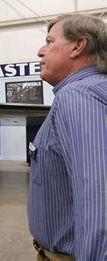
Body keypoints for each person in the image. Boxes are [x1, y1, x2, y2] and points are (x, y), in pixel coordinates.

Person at [28, 15, 106, 260]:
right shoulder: (95, 91)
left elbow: (96, 199)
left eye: (50, 42)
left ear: (78, 46)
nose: (41, 51)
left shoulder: (77, 96)